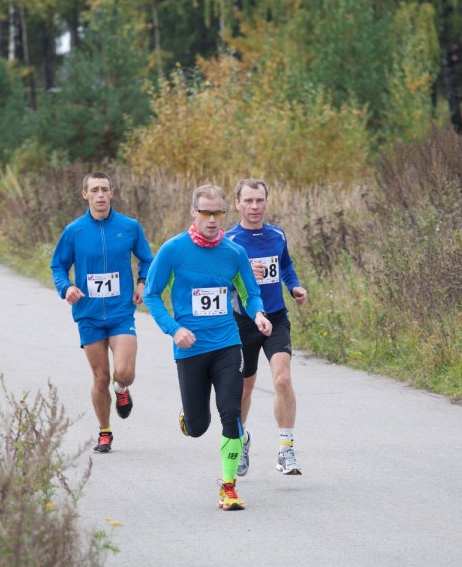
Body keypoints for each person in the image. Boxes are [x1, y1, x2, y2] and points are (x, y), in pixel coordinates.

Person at [143, 184, 272, 511]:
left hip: (228, 344)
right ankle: (191, 413)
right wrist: (174, 329)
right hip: (190, 348)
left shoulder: (234, 253)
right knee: (198, 428)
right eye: (206, 213)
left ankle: (228, 487)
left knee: (231, 412)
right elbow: (152, 295)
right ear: (193, 213)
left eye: (218, 213)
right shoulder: (173, 250)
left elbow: (249, 291)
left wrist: (257, 313)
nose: (213, 219)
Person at [51, 171, 153, 454]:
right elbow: (57, 266)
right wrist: (66, 287)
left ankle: (123, 392)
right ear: (85, 195)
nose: (99, 194)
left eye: (104, 189)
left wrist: (143, 283)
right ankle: (105, 431)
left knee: (124, 372)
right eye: (93, 190)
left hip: (121, 312)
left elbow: (147, 259)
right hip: (89, 315)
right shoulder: (74, 231)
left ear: (112, 193)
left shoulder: (130, 227)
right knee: (101, 378)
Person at [226, 178, 308, 477]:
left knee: (283, 380)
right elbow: (219, 285)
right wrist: (244, 275)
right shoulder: (229, 241)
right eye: (248, 200)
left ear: (266, 202)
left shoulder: (277, 234)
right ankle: (241, 440)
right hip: (243, 321)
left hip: (275, 317)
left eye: (259, 200)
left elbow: (285, 265)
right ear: (237, 204)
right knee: (244, 388)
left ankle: (286, 449)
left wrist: (294, 287)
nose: (254, 206)